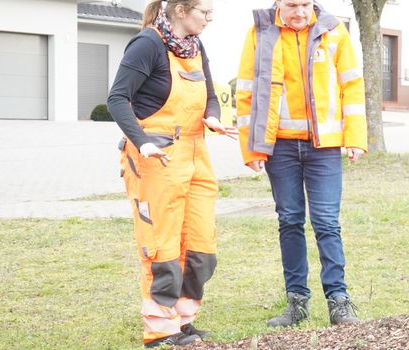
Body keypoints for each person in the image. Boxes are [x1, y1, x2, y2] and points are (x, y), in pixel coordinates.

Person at [107, 0, 237, 347]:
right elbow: (117, 98)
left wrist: (212, 117)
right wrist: (142, 142)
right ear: (180, 10)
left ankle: (182, 320)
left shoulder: (195, 45)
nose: (210, 19)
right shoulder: (147, 44)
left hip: (196, 155)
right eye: (204, 12)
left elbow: (210, 95)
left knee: (200, 246)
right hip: (157, 158)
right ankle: (160, 329)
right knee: (162, 247)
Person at [235, 0, 368, 328]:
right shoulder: (260, 32)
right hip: (279, 146)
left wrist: (355, 137)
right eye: (292, 4)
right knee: (290, 220)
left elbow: (352, 85)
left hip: (325, 146)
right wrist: (252, 147)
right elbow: (246, 91)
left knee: (326, 222)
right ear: (279, 3)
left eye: (305, 4)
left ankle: (339, 301)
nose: (299, 12)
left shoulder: (334, 31)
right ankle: (297, 302)